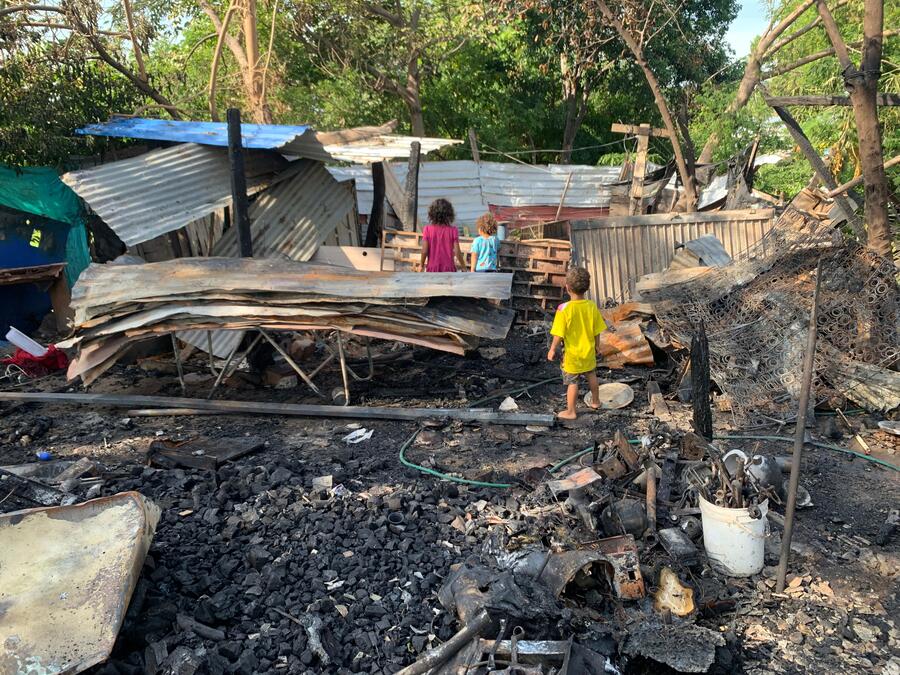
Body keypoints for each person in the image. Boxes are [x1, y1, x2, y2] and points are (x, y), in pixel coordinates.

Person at [547, 267, 614, 420]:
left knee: (572, 382)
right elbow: (596, 330)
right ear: (587, 288)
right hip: (588, 351)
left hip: (572, 355)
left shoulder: (563, 309)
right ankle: (596, 402)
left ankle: (571, 411)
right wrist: (597, 346)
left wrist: (552, 349)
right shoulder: (591, 306)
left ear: (567, 288)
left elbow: (558, 334)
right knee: (591, 375)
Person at [420, 198, 466, 272]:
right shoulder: (453, 230)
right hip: (449, 269)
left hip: (432, 269)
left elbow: (424, 251)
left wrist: (421, 265)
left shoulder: (427, 229)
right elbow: (457, 251)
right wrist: (463, 266)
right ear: (449, 214)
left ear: (431, 213)